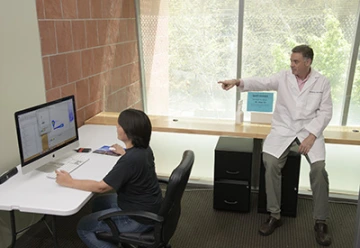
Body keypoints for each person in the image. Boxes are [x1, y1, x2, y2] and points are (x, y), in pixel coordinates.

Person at [218, 45, 332, 246]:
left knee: (319, 169)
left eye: (296, 61)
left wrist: (312, 135)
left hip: (309, 131)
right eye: (291, 60)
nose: (292, 65)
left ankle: (320, 221)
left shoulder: (322, 82)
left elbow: (325, 112)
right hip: (284, 129)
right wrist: (237, 82)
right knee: (270, 162)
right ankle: (275, 215)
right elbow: (262, 82)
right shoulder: (284, 77)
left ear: (308, 62)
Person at [56, 109, 163, 248]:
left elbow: (102, 187)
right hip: (150, 206)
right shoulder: (144, 150)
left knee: (83, 226)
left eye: (119, 125)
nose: (116, 128)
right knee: (98, 203)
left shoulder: (129, 160)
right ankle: (112, 235)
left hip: (139, 218)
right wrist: (124, 152)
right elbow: (135, 164)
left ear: (127, 132)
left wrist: (69, 182)